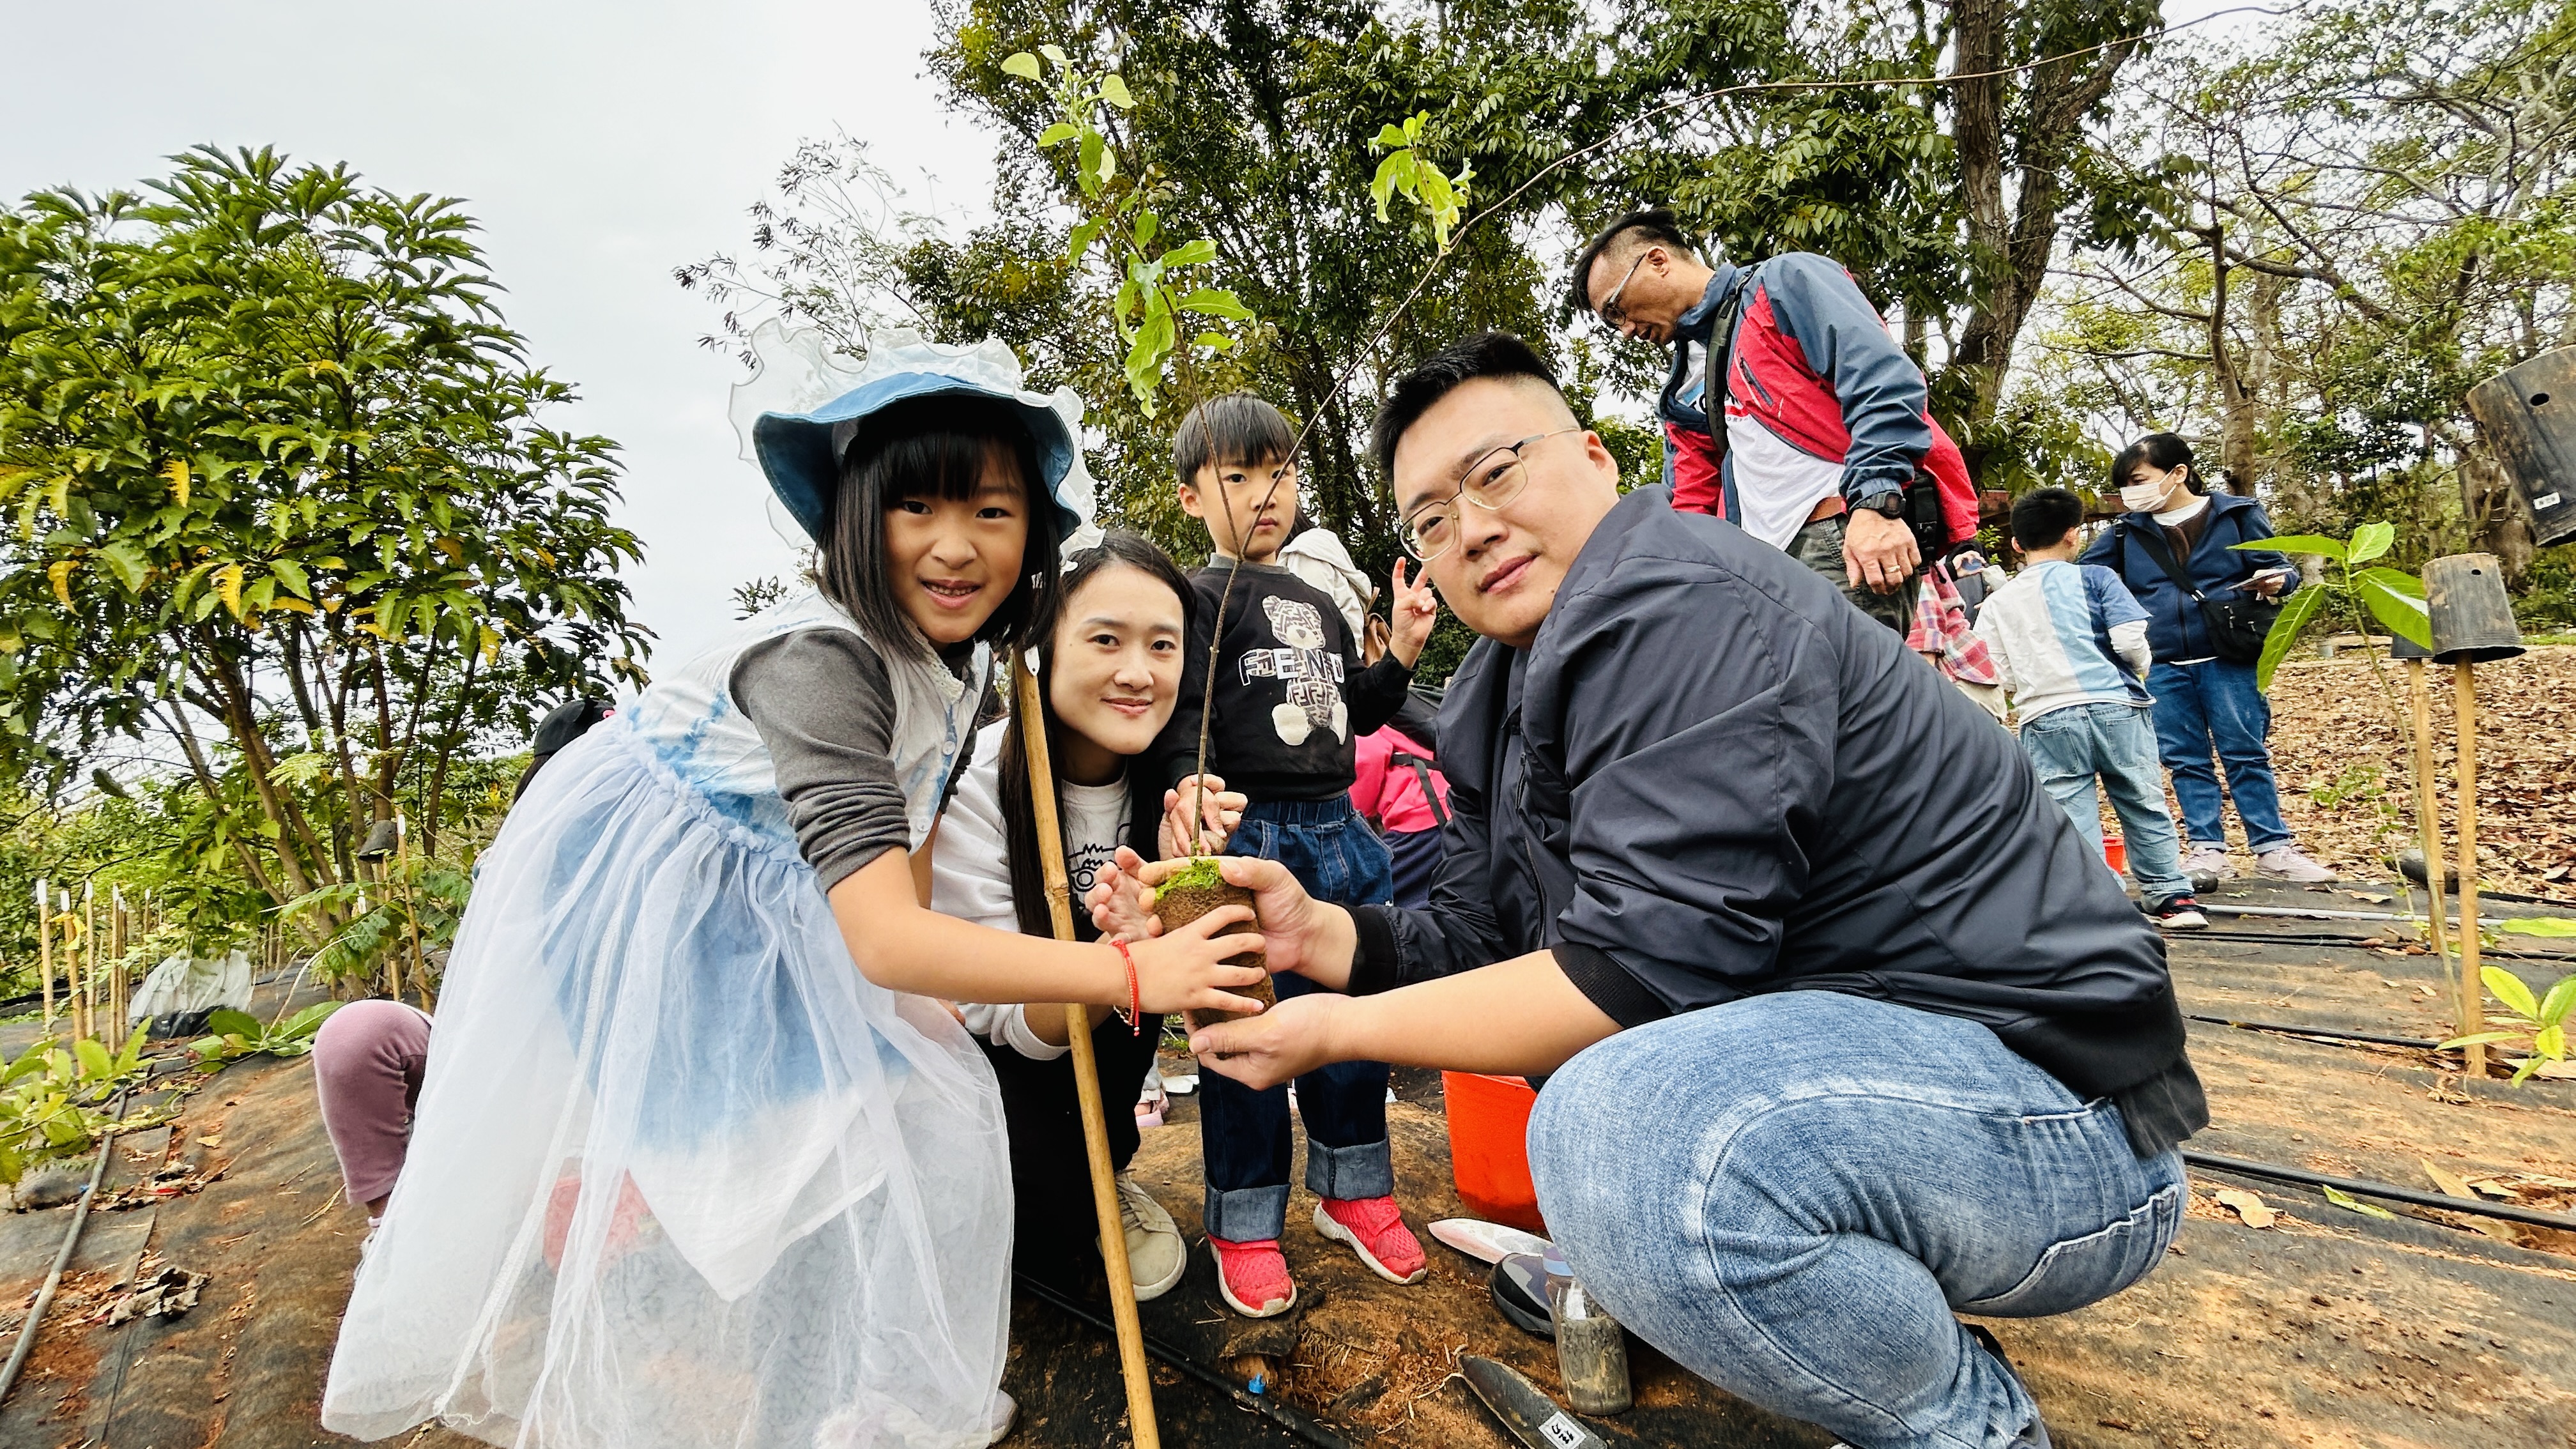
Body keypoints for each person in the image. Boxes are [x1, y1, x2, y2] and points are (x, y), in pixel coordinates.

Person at [1098, 334, 2204, 1449]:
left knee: (1617, 1136)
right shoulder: (1496, 687)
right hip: (1868, 1088)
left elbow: (1641, 970)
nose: (1469, 528)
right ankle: (1848, 1324)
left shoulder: (1682, 599)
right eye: (1429, 519)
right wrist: (1320, 929)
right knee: (1607, 1138)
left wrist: (1336, 1026)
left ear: (1594, 456)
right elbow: (1475, 941)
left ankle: (1962, 1422)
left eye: (1495, 473)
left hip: (2060, 1111)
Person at [321, 334, 1269, 1449]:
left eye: (995, 514)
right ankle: (732, 1350)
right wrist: (1126, 968)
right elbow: (882, 933)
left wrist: (922, 1046)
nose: (956, 547)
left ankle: (853, 1391)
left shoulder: (953, 668)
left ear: (1033, 537)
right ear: (852, 518)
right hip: (673, 908)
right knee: (751, 1164)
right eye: (915, 506)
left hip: (786, 898)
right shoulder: (822, 660)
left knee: (916, 1108)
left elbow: (902, 858)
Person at [1149, 392, 1441, 1319]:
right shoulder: (1196, 596)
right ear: (1194, 497)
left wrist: (1400, 653)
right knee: (1244, 1035)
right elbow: (1173, 710)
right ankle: (1244, 1224)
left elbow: (1356, 712)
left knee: (1354, 1020)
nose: (1265, 493)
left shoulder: (1317, 597)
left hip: (1341, 834)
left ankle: (1352, 1190)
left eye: (1280, 472)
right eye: (1238, 476)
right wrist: (1184, 788)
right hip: (1250, 836)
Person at [931, 530, 1244, 1303]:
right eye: (1105, 639)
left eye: (1163, 646)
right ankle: (1054, 1191)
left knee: (1130, 1032)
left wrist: (1188, 895)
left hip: (1107, 1057)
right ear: (1039, 648)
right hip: (1002, 1072)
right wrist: (1114, 960)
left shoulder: (1178, 793)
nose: (1138, 674)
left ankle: (1104, 1172)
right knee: (1036, 1248)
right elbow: (1011, 1033)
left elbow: (1220, 985)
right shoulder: (973, 789)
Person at [1568, 208, 1982, 634]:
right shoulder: (1683, 388)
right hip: (1763, 574)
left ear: (1657, 261)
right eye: (1610, 322)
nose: (1624, 330)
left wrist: (1877, 504)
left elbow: (1882, 381)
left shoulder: (1783, 282)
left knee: (1847, 697)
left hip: (1841, 535)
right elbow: (1690, 503)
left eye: (1617, 309)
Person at [313, 696, 614, 1240]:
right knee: (359, 1034)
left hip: (623, 1092)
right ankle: (392, 1233)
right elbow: (499, 1005)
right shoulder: (509, 867)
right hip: (507, 1079)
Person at [2080, 434, 2334, 884]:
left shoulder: (2237, 514)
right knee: (2185, 759)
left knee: (2246, 751)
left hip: (2229, 652)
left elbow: (2280, 568)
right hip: (2161, 663)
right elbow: (2082, 579)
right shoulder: (2124, 531)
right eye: (2125, 485)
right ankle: (2206, 850)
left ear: (2178, 472)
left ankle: (2274, 848)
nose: (2131, 492)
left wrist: (2279, 580)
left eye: (2139, 480)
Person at [1976, 488, 2207, 930]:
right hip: (2115, 704)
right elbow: (2128, 639)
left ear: (2016, 544)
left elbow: (1998, 671)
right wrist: (2138, 668)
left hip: (2046, 716)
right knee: (2142, 801)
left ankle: (2101, 907)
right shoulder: (2097, 579)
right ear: (2072, 535)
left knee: (2070, 811)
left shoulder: (1998, 602)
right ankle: (2172, 899)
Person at [1350, 617, 1450, 911]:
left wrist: (1357, 813)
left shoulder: (1366, 711)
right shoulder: (1400, 704)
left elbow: (1367, 760)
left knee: (1375, 897)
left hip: (1420, 815)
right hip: (1449, 805)